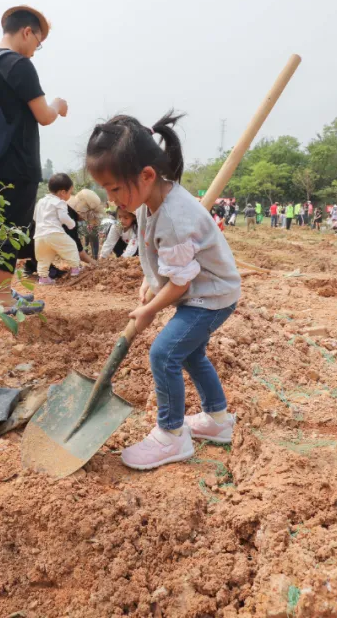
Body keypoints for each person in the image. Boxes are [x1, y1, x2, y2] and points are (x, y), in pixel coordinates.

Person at [86, 111, 241, 470]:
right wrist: (150, 280)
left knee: (163, 353)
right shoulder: (147, 200)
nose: (112, 200)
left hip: (210, 297)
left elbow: (182, 281)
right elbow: (162, 259)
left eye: (114, 189)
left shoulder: (173, 216)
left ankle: (171, 436)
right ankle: (217, 421)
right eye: (106, 190)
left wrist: (149, 309)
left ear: (146, 175)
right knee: (189, 354)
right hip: (201, 291)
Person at [0, 5, 66, 315]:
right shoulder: (18, 65)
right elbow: (44, 116)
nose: (36, 51)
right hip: (18, 163)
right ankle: (3, 301)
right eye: (38, 43)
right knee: (11, 231)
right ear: (27, 32)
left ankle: (2, 293)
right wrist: (58, 104)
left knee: (1, 229)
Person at [33, 173, 80, 285]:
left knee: (44, 257)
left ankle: (43, 278)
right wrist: (72, 224)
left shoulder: (40, 202)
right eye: (70, 192)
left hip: (39, 235)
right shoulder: (60, 202)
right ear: (63, 192)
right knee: (71, 246)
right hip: (54, 232)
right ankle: (75, 269)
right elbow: (63, 217)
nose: (70, 195)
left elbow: (35, 217)